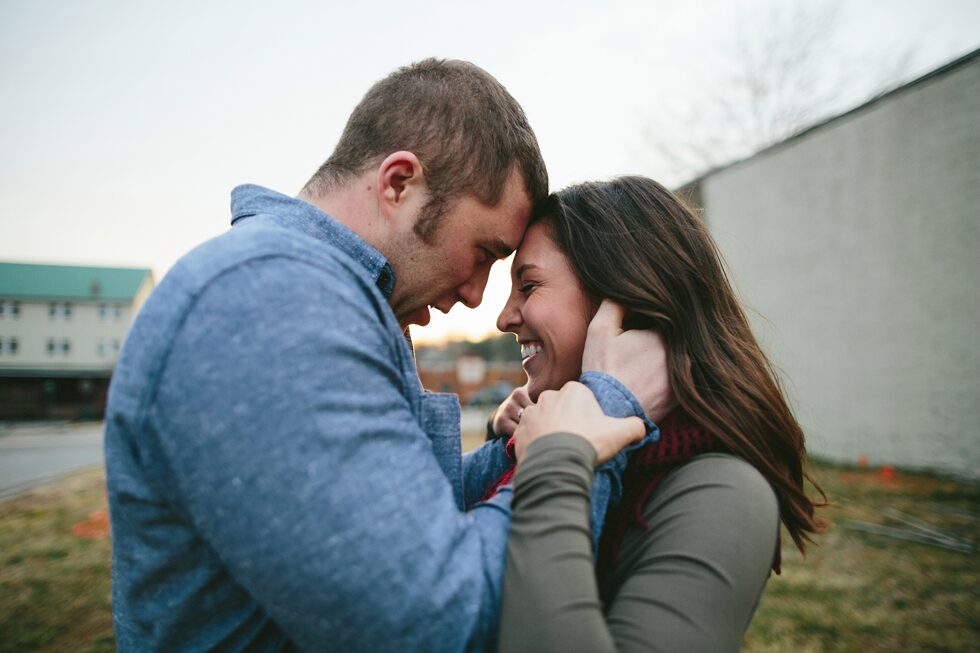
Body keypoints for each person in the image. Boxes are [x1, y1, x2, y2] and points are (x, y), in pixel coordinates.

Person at [104, 60, 669, 652]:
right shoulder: (271, 302)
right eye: (483, 252)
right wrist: (590, 421)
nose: (478, 295)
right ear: (399, 183)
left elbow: (395, 523)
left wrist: (511, 452)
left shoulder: (312, 297)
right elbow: (442, 626)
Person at [493, 176, 827, 652]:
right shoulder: (533, 433)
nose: (504, 317)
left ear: (623, 302)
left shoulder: (723, 492)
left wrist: (556, 459)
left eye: (528, 285)